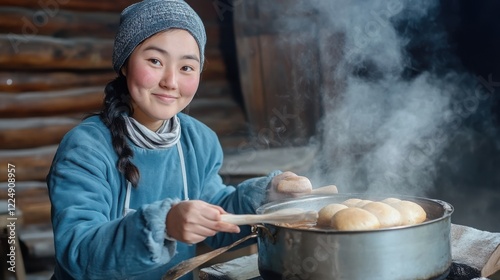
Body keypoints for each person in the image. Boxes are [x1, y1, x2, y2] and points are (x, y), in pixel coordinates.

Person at [46, 0, 315, 279]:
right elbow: (77, 251)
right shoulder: (86, 146)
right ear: (125, 64)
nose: (171, 82)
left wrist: (269, 198)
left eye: (186, 67)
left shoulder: (198, 140)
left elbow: (217, 212)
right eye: (155, 61)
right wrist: (164, 224)